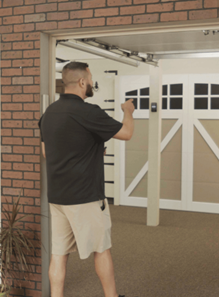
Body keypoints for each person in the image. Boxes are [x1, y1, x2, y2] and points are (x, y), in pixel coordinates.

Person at [39, 62, 135, 297]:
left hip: (58, 197)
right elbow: (126, 133)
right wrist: (128, 112)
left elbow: (46, 152)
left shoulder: (49, 113)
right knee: (101, 249)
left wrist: (88, 150)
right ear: (82, 82)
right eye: (90, 79)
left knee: (59, 253)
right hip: (85, 197)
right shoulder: (89, 111)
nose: (91, 83)